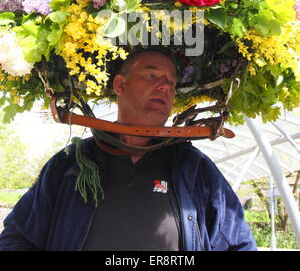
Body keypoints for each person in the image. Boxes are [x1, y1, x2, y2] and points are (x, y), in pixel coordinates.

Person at [0, 50, 257, 251]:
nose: (165, 87)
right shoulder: (70, 164)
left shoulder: (194, 168)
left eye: (171, 82)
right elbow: (17, 237)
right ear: (120, 85)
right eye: (152, 76)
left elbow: (238, 244)